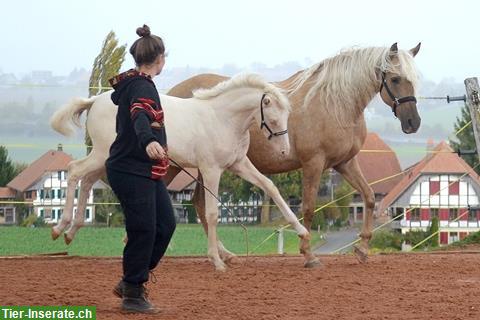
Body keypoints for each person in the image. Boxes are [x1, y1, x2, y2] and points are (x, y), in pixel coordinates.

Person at [106, 24, 176, 313]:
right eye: (164, 58)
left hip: (144, 170)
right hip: (129, 169)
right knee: (144, 229)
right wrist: (148, 141)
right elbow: (139, 115)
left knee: (165, 225)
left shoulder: (137, 83)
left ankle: (131, 280)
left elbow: (140, 113)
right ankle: (133, 294)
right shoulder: (141, 87)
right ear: (159, 59)